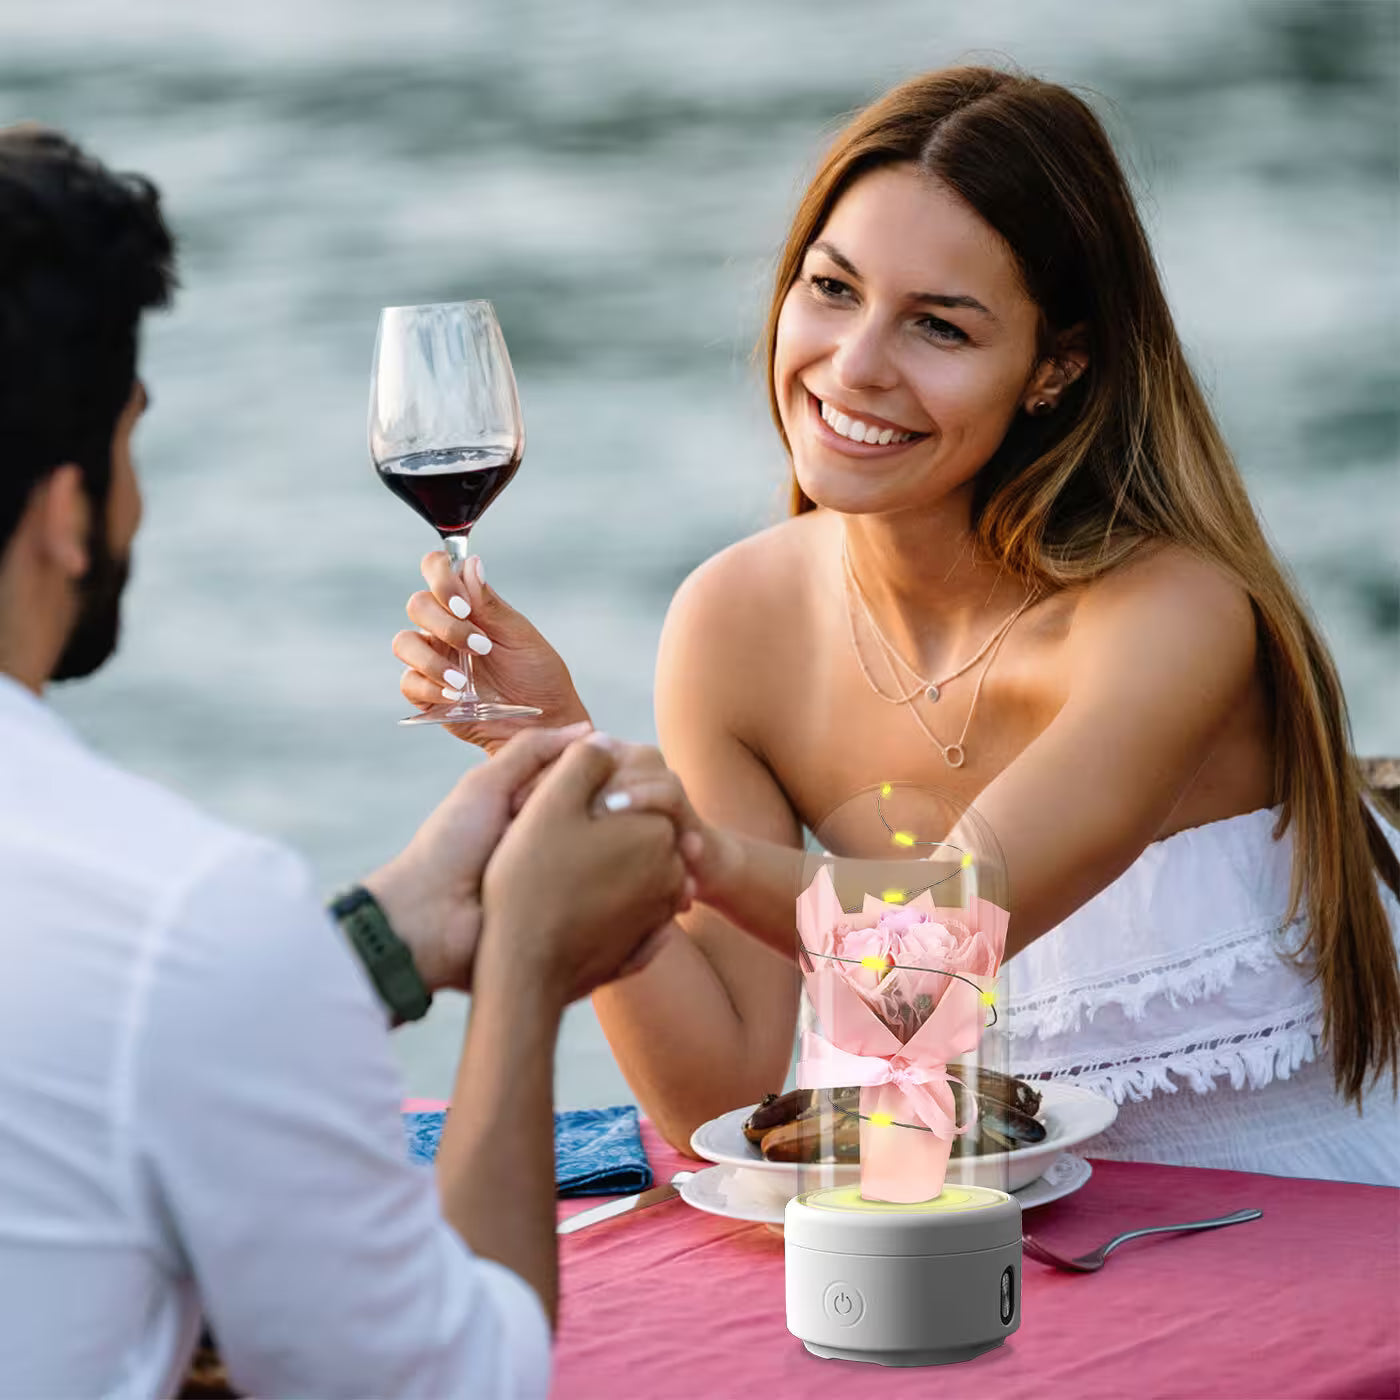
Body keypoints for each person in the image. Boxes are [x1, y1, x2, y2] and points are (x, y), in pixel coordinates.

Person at [395, 66, 1400, 1185]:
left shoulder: (1172, 617)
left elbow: (934, 934)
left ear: (1054, 367)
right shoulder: (735, 621)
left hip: (1301, 1225)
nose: (855, 365)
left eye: (937, 326)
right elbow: (714, 1099)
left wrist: (687, 847)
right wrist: (564, 765)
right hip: (951, 1240)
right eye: (831, 289)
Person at [0, 125, 693, 1399]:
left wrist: (382, 935)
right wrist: (526, 965)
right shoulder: (179, 906)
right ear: (64, 510)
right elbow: (456, 1378)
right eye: (128, 444)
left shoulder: (174, 937)